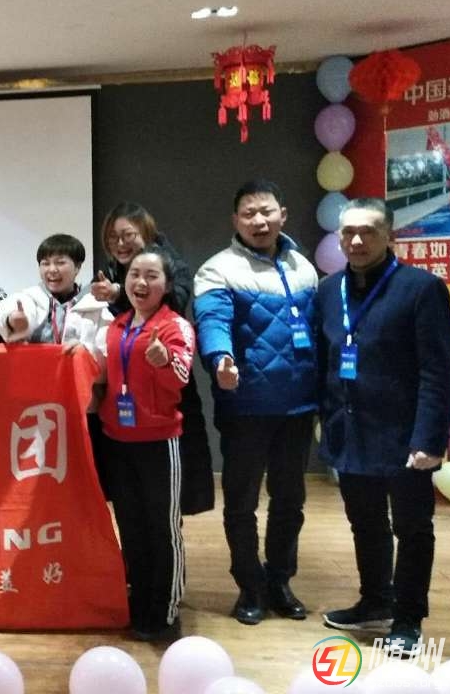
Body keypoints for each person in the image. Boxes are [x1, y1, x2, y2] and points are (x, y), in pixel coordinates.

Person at [317, 198, 450, 657]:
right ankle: (375, 599)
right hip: (350, 431)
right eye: (348, 232)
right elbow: (325, 362)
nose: (357, 241)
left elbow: (438, 371)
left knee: (412, 528)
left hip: (405, 437)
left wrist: (430, 439)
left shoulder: (422, 289)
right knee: (365, 522)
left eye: (369, 231)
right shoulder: (329, 290)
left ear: (390, 235)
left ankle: (408, 619)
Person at [193, 179, 319, 625]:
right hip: (245, 407)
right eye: (249, 214)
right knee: (241, 504)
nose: (259, 221)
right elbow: (212, 320)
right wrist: (220, 358)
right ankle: (250, 586)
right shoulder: (217, 269)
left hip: (298, 407)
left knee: (290, 501)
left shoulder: (304, 267)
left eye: (266, 211)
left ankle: (280, 581)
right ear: (235, 221)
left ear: (283, 214)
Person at [94, 246, 195, 642]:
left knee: (163, 528)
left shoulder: (174, 326)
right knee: (131, 526)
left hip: (158, 443)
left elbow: (181, 377)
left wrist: (164, 360)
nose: (141, 282)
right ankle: (139, 599)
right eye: (135, 274)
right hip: (117, 441)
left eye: (152, 276)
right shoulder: (117, 325)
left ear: (166, 285)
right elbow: (101, 374)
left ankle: (166, 609)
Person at [93, 203, 214, 516]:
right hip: (125, 402)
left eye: (127, 235)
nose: (120, 243)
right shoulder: (111, 272)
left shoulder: (170, 266)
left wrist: (119, 292)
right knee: (130, 501)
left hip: (165, 394)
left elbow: (176, 301)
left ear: (146, 232)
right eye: (112, 238)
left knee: (167, 499)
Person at [0, 233, 111, 358]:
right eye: (45, 263)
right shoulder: (30, 297)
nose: (52, 269)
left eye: (60, 263)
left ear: (77, 267)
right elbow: (8, 313)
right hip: (35, 369)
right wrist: (12, 321)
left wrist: (86, 350)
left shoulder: (95, 305)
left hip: (78, 370)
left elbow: (106, 352)